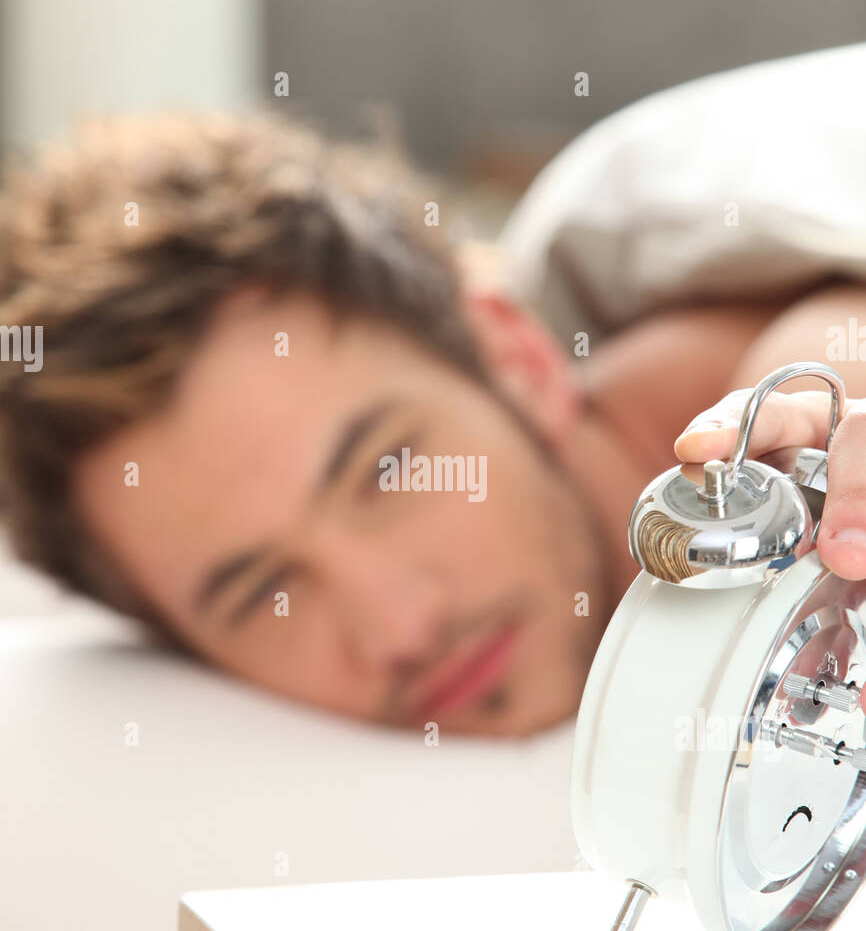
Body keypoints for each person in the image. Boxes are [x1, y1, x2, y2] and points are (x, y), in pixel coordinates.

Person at [0, 111, 864, 736]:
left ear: (516, 358)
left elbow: (816, 375)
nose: (402, 628)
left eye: (387, 471)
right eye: (263, 593)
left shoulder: (778, 390)